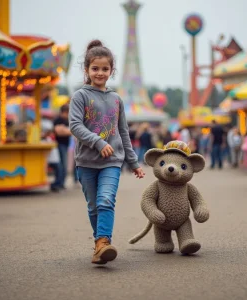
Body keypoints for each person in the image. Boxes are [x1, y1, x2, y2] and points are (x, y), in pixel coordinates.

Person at [69, 40, 145, 265]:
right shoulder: (80, 96)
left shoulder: (116, 99)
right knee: (93, 206)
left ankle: (103, 242)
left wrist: (134, 163)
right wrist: (99, 143)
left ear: (111, 71)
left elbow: (123, 133)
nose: (100, 73)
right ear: (87, 70)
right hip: (86, 162)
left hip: (112, 162)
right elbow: (75, 125)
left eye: (105, 69)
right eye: (95, 68)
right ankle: (98, 244)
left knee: (105, 201)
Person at [54, 104, 71, 189]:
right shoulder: (58, 120)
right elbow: (58, 131)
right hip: (60, 145)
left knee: (64, 165)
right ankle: (58, 183)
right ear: (65, 112)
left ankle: (61, 183)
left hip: (65, 145)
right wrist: (68, 131)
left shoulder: (66, 121)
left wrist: (65, 130)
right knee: (61, 165)